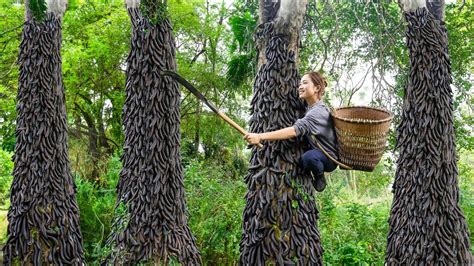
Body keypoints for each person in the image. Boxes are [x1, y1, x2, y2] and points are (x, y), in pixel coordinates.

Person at [244, 71, 338, 192]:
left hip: (328, 158)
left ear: (317, 88)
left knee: (308, 158)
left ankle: (319, 177)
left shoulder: (317, 112)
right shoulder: (310, 106)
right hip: (317, 148)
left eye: (305, 83)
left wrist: (260, 137)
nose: (300, 87)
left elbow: (294, 131)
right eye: (300, 83)